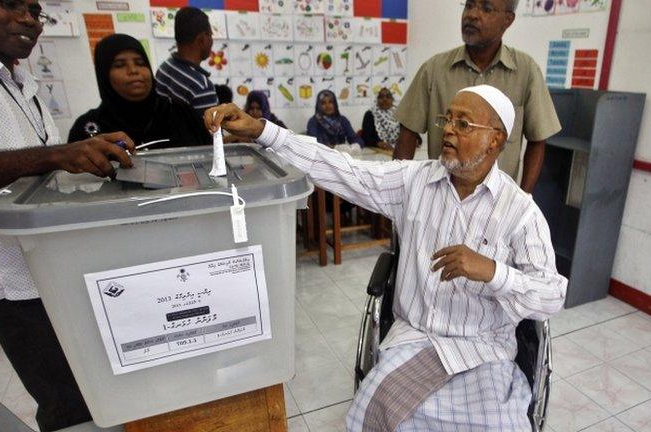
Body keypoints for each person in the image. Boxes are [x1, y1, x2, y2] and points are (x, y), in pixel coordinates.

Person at [204, 84, 566, 431]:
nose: (449, 132)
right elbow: (340, 168)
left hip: (483, 350)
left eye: (464, 124)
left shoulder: (520, 212)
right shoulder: (415, 181)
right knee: (370, 414)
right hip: (416, 340)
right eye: (447, 120)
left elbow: (551, 296)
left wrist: (493, 272)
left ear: (496, 140)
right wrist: (263, 132)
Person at [0, 1, 136, 429]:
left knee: (86, 387)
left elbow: (37, 166)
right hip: (8, 280)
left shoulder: (21, 84)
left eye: (36, 12)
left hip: (47, 267)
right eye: (11, 5)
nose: (27, 20)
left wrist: (78, 156)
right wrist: (59, 153)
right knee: (63, 398)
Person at [394, 0, 561, 193]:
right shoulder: (434, 69)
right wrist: (400, 196)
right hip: (440, 201)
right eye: (469, 5)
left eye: (486, 8)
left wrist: (523, 198)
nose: (472, 14)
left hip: (497, 206)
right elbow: (407, 136)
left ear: (508, 20)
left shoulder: (526, 71)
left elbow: (537, 141)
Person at [69, 34, 211, 148]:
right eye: (119, 65)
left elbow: (211, 159)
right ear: (104, 75)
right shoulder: (88, 129)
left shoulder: (181, 113)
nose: (133, 70)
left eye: (140, 63)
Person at [155, 7, 217, 114]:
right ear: (201, 39)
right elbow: (212, 130)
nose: (212, 40)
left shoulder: (165, 67)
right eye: (210, 35)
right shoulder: (202, 87)